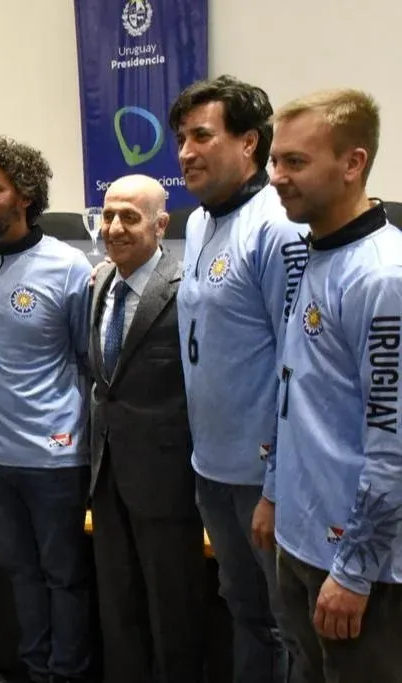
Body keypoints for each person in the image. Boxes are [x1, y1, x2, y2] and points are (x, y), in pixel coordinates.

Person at [170, 75, 309, 683]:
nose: (185, 152)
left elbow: (296, 364)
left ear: (249, 142)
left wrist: (276, 484)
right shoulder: (198, 224)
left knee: (287, 626)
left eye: (202, 136)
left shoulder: (279, 228)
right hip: (211, 466)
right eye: (181, 139)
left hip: (265, 477)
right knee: (244, 611)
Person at [262, 89, 402, 682]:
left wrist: (355, 571)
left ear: (353, 163)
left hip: (358, 565)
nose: (275, 177)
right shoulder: (311, 254)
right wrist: (273, 493)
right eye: (275, 160)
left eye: (295, 162)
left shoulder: (383, 276)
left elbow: (393, 442)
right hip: (299, 539)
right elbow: (294, 389)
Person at [0, 136, 94, 683]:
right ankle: (36, 669)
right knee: (19, 572)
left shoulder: (68, 267)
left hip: (52, 455)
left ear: (25, 195)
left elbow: (88, 358)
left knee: (63, 577)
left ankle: (68, 674)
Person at [88, 174, 206, 683]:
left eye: (129, 218)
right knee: (119, 612)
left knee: (173, 616)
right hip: (106, 475)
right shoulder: (99, 284)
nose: (114, 227)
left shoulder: (187, 292)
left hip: (165, 483)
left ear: (161, 226)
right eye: (108, 215)